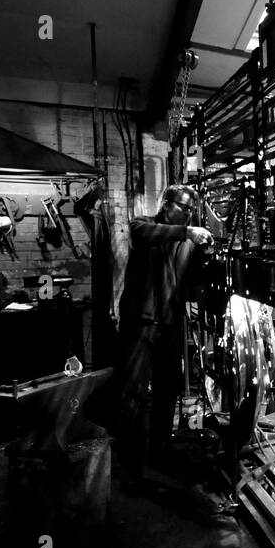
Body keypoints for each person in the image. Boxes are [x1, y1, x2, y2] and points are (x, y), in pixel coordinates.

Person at [106, 184, 214, 483]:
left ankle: (159, 448)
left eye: (192, 210)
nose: (188, 214)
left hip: (169, 326)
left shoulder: (188, 242)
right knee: (132, 394)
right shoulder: (144, 225)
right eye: (183, 207)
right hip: (141, 323)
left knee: (168, 388)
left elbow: (192, 282)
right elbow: (144, 236)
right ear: (166, 204)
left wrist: (205, 257)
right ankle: (130, 463)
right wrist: (187, 231)